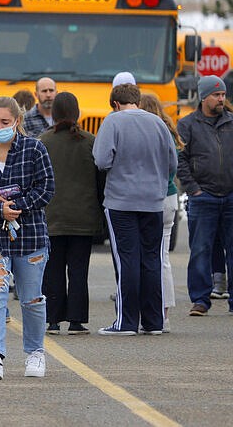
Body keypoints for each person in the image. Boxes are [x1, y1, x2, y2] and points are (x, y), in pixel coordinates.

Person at [0, 96, 55, 380]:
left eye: (5, 122)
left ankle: (35, 352)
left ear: (16, 121)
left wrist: (18, 207)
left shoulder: (35, 149)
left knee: (31, 298)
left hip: (30, 233)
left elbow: (47, 188)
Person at [93, 83, 177, 334]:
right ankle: (154, 321)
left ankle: (126, 321)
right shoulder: (158, 123)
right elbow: (172, 161)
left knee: (126, 259)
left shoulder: (113, 122)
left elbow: (101, 159)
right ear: (137, 101)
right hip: (153, 201)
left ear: (115, 104)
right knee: (152, 259)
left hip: (121, 201)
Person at [39, 92, 101, 335]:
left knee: (52, 269)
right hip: (83, 218)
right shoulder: (90, 141)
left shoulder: (43, 141)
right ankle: (76, 320)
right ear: (77, 113)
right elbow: (100, 179)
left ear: (54, 113)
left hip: (51, 216)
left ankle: (53, 319)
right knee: (78, 270)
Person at [177, 75, 232, 316]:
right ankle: (200, 300)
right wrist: (194, 189)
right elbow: (180, 160)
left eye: (223, 95)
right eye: (216, 95)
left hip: (230, 197)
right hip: (203, 197)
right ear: (203, 97)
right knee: (200, 250)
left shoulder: (231, 122)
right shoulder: (187, 125)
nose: (221, 99)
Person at [139, 93, 181, 330]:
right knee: (162, 258)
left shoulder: (145, 133)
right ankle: (164, 312)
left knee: (147, 258)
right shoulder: (168, 131)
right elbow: (174, 164)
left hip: (150, 198)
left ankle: (149, 310)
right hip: (170, 194)